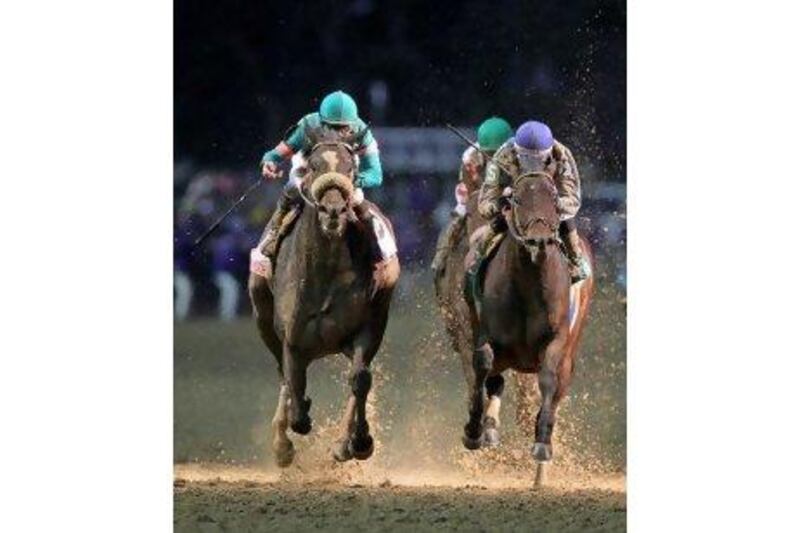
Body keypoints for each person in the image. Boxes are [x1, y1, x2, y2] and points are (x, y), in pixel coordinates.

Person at [256, 90, 385, 276]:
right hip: (311, 171)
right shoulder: (308, 124)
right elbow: (277, 153)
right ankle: (272, 238)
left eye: (343, 128)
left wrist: (351, 180)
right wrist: (269, 162)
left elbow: (375, 174)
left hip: (347, 175)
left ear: (352, 124)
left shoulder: (362, 131)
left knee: (357, 199)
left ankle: (378, 251)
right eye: (331, 126)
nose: (337, 132)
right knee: (292, 188)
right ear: (322, 121)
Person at [475, 120, 592, 283]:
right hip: (516, 198)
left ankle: (576, 258)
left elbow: (572, 198)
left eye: (540, 159)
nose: (534, 165)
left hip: (550, 197)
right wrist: (498, 203)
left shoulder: (562, 155)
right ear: (517, 152)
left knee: (566, 219)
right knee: (488, 235)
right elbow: (485, 201)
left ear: (549, 153)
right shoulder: (503, 155)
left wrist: (556, 203)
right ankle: (479, 261)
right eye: (527, 158)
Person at [430, 117, 513, 274]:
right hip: (476, 192)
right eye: (490, 153)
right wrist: (477, 180)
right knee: (458, 217)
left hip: (508, 193)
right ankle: (441, 257)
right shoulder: (470, 158)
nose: (494, 156)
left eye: (498, 152)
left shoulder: (518, 153)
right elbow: (469, 191)